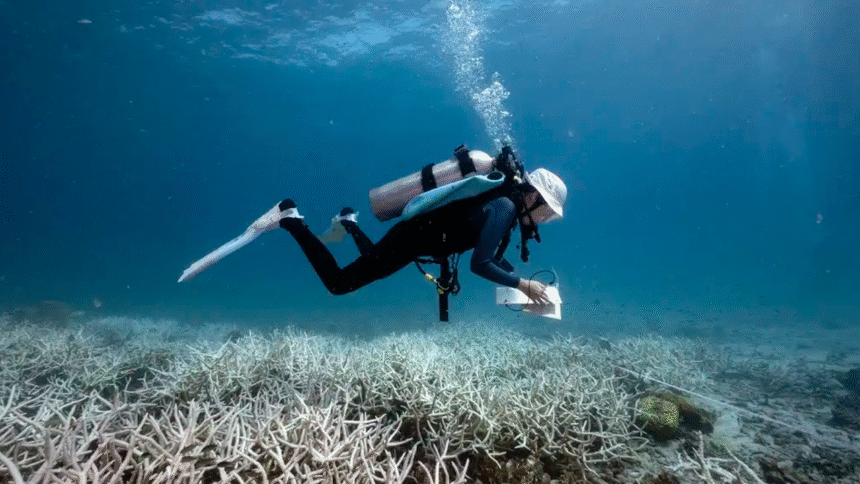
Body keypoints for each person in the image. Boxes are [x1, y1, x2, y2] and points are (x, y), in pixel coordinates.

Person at [266, 150, 567, 306]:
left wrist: (518, 282)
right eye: (546, 211)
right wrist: (522, 284)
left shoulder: (505, 205)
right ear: (533, 196)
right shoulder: (505, 206)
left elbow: (488, 251)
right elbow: (480, 264)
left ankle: (349, 222)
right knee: (339, 284)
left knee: (373, 260)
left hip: (416, 238)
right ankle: (291, 219)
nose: (543, 219)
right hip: (412, 238)